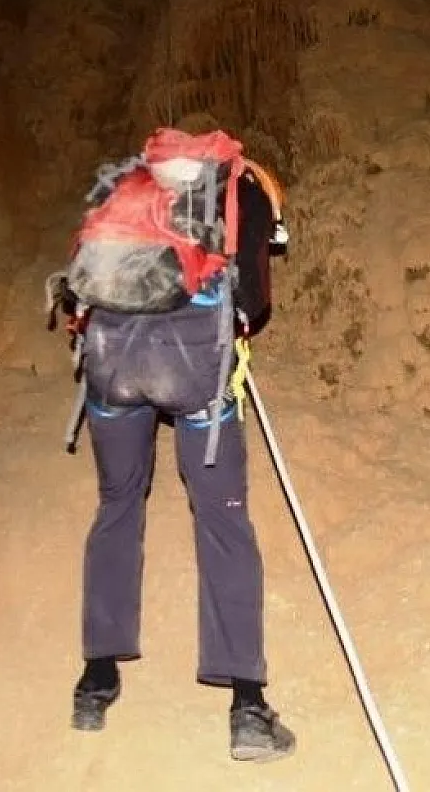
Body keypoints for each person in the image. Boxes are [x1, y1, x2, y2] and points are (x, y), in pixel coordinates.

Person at [61, 134, 296, 764]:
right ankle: (247, 706)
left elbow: (77, 288)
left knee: (117, 502)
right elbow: (253, 301)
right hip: (195, 374)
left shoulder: (125, 182)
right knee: (222, 520)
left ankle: (97, 681)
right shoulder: (241, 186)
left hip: (112, 368)